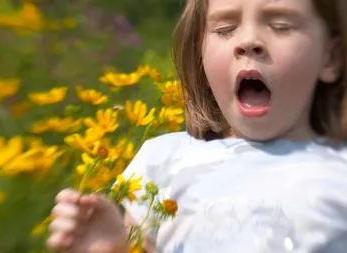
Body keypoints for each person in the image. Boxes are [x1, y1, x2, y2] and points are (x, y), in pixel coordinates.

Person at [47, 0, 347, 252]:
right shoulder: (164, 160)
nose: (248, 42)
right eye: (224, 29)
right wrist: (112, 247)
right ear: (199, 51)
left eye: (281, 25)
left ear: (331, 56)